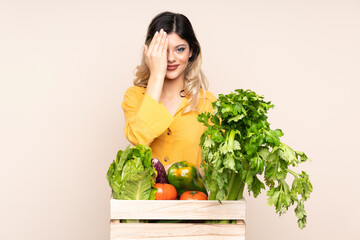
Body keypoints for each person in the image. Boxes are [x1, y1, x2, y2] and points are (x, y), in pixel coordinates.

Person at [121, 11, 216, 168]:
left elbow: (214, 169)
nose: (171, 58)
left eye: (180, 49)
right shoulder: (134, 96)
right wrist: (157, 75)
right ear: (150, 53)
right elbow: (138, 138)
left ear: (191, 52)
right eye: (163, 50)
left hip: (192, 193)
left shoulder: (208, 102)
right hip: (148, 192)